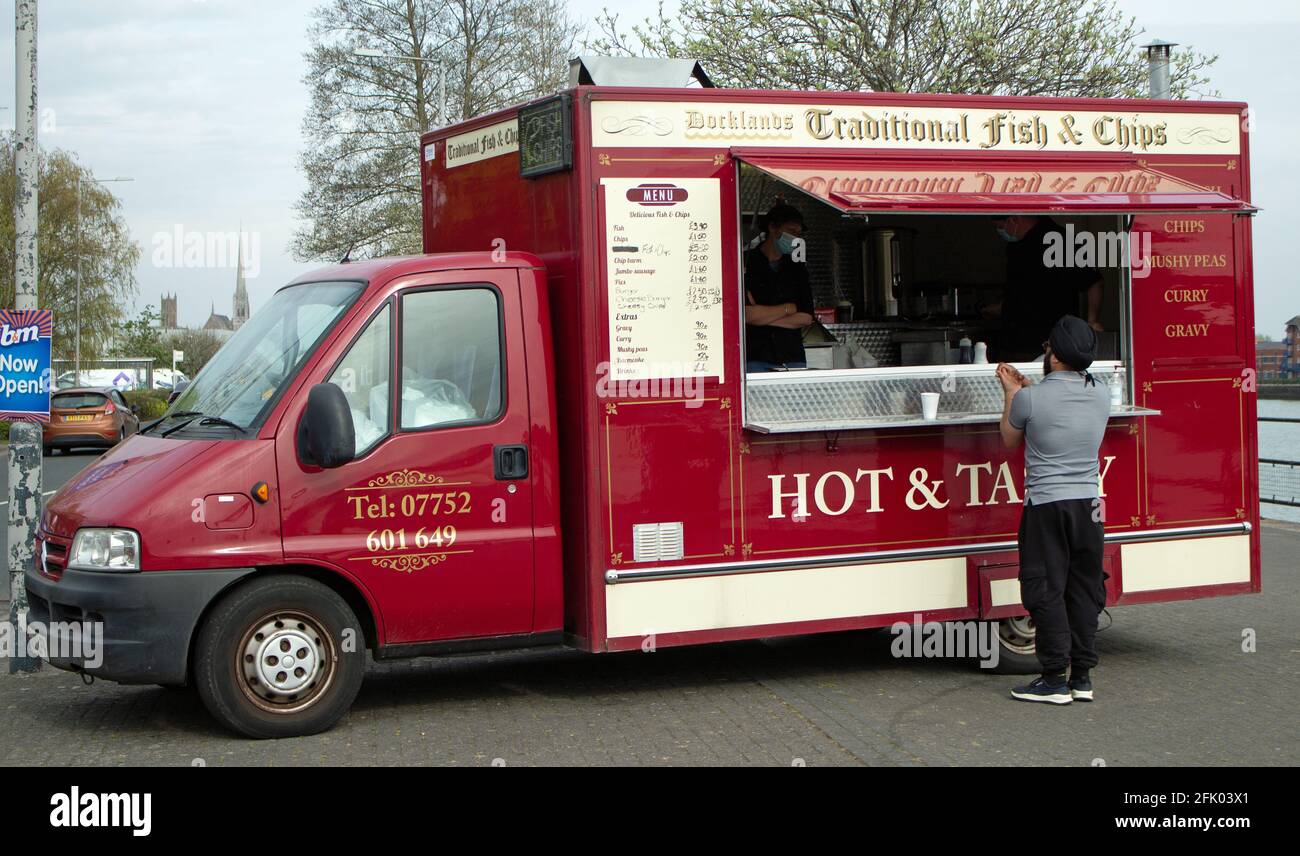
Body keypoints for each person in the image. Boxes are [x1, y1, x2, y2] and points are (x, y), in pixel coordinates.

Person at [996, 315, 1111, 705]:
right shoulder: (1101, 393)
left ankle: (1052, 679)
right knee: (1084, 589)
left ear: (1056, 355)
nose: (1044, 355)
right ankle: (1082, 677)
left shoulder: (1030, 398)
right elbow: (1061, 409)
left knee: (1046, 589)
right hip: (1090, 506)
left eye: (1046, 349)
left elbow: (1010, 438)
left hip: (1047, 506)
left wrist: (1012, 391)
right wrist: (1031, 392)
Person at [983, 215, 1104, 361]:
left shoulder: (1060, 241)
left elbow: (1093, 281)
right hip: (1016, 343)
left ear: (1014, 219)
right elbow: (1023, 294)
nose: (1001, 232)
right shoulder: (1016, 247)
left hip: (1052, 346)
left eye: (1000, 227)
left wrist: (1092, 322)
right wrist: (1001, 308)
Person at [744, 203, 814, 372]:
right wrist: (789, 308)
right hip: (756, 357)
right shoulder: (746, 262)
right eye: (791, 231)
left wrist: (763, 316)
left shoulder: (797, 267)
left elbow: (806, 318)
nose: (795, 237)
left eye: (798, 233)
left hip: (793, 358)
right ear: (773, 228)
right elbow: (746, 315)